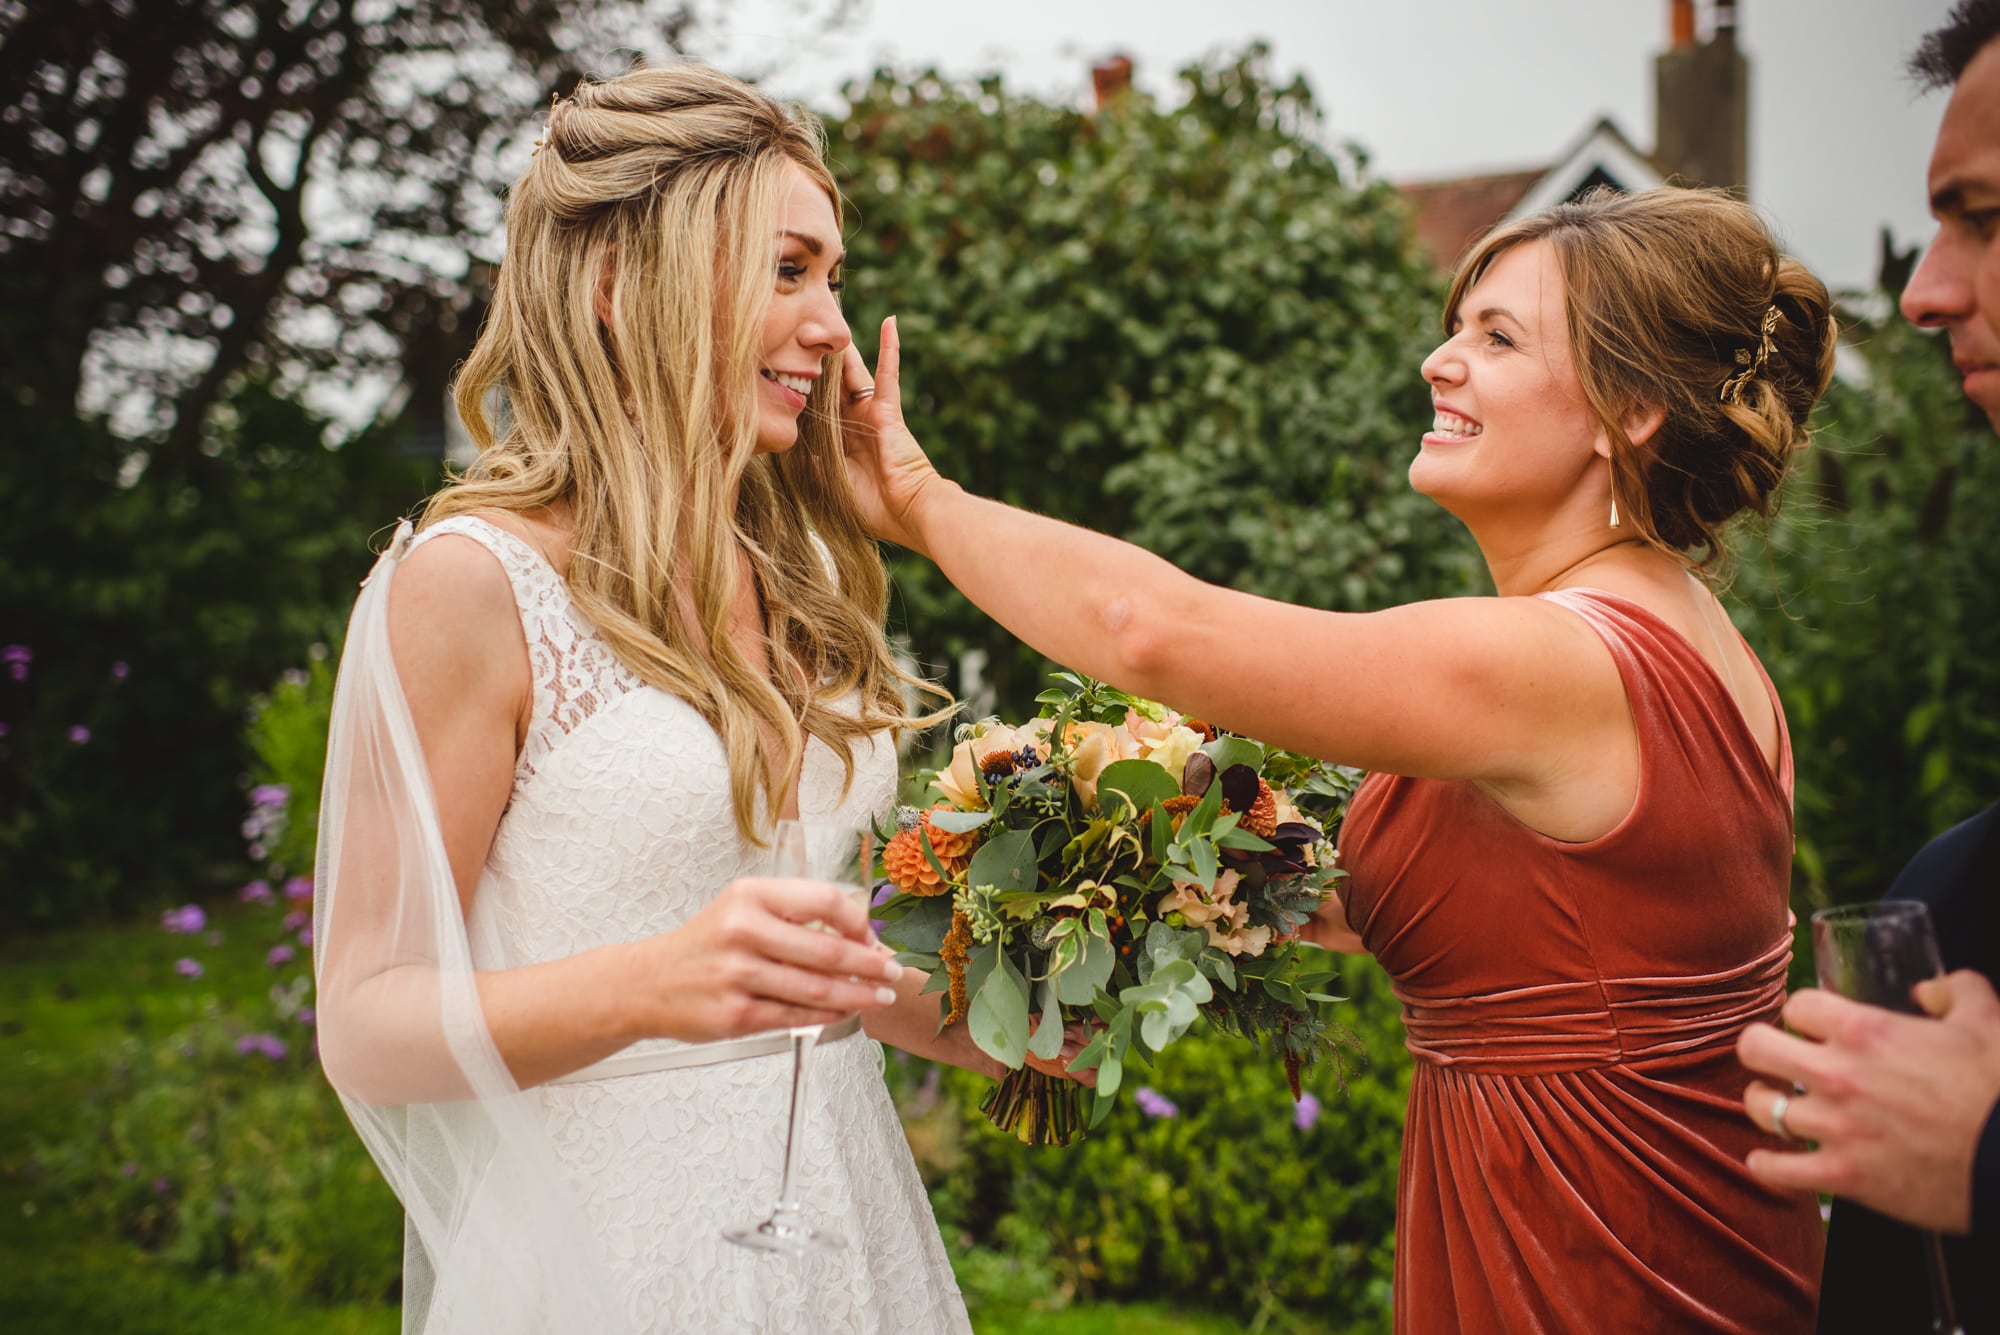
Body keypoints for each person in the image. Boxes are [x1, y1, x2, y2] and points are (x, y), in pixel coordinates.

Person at [839, 186, 1839, 1333]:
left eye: (1495, 337)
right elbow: (1568, 945)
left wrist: (915, 500)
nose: (1436, 360)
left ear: (1629, 410)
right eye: (1456, 323)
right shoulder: (1696, 641)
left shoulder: (1555, 660)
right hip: (1643, 1221)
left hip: (1590, 1254)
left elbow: (1152, 633)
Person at [311, 62, 1082, 1335]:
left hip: (848, 1223)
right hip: (608, 1258)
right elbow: (367, 1025)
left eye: (832, 276)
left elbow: (800, 965)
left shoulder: (795, 567)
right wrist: (650, 984)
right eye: (788, 271)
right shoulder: (468, 585)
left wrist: (982, 1018)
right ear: (621, 284)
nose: (833, 324)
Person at [1734, 4, 2000, 1329]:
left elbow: (1155, 630)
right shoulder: (1951, 880)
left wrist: (1984, 1158)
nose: (1923, 288)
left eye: (1988, 217)